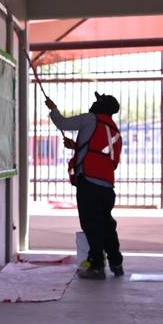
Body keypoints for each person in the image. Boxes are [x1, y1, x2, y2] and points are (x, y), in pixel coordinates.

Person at [46, 92, 124, 280]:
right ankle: (116, 263)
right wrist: (76, 147)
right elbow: (99, 150)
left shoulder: (90, 119)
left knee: (92, 224)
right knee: (106, 223)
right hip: (106, 183)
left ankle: (96, 266)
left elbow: (63, 123)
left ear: (101, 106)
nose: (93, 104)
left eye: (96, 101)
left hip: (89, 180)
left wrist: (53, 109)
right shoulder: (113, 129)